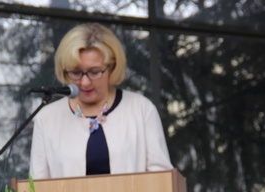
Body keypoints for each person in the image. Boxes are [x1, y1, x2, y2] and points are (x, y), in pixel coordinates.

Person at [29, 23, 173, 179]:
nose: (84, 82)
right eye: (76, 72)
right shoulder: (47, 118)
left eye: (94, 72)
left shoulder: (141, 109)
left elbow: (162, 181)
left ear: (112, 67)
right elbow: (37, 188)